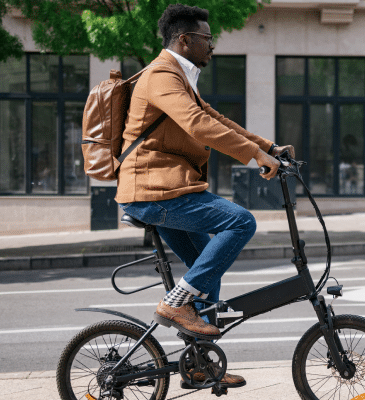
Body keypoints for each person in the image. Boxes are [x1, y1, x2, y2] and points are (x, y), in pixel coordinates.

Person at [116, 4, 294, 388]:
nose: (212, 46)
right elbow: (198, 125)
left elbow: (215, 118)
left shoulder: (180, 76)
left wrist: (268, 146)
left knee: (205, 272)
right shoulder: (162, 75)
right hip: (154, 191)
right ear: (186, 40)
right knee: (240, 221)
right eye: (207, 39)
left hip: (164, 188)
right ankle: (174, 305)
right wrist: (254, 156)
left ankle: (199, 364)